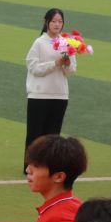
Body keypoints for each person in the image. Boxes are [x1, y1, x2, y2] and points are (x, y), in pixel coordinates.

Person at [24, 8, 75, 149]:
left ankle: (50, 162)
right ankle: (31, 163)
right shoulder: (39, 43)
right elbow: (33, 68)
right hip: (39, 96)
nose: (57, 24)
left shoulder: (66, 43)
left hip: (60, 96)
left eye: (60, 21)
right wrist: (55, 63)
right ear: (46, 22)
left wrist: (67, 64)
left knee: (53, 139)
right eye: (53, 21)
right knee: (35, 137)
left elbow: (70, 72)